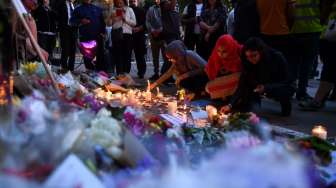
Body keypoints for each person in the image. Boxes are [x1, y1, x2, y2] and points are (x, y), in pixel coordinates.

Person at [221, 38, 295, 116]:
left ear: (261, 52)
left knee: (284, 91)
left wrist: (266, 87)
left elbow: (287, 81)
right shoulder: (247, 61)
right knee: (250, 111)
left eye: (254, 56)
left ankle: (285, 105)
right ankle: (252, 104)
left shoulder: (276, 57)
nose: (251, 59)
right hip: (258, 85)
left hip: (278, 84)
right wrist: (230, 105)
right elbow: (242, 84)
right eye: (248, 56)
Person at [299, 0, 336, 110]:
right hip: (328, 34)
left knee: (329, 68)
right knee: (329, 67)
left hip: (330, 35)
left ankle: (318, 100)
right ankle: (320, 99)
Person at [290, 0, 324, 101]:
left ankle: (290, 90)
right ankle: (301, 92)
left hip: (296, 31)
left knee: (293, 63)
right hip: (313, 30)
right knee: (307, 64)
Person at [256, 0, 295, 73]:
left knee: (269, 63)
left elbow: (258, 13)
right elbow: (292, 14)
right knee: (284, 64)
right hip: (283, 32)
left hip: (265, 33)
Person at [70, 0, 106, 72]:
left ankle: (100, 75)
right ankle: (90, 73)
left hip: (98, 37)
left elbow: (102, 22)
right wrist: (81, 21)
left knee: (100, 56)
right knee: (88, 57)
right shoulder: (78, 9)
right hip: (86, 37)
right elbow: (72, 21)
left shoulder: (98, 9)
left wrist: (103, 32)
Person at [205, 34, 242, 99]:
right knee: (208, 88)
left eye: (224, 51)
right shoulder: (215, 55)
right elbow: (210, 70)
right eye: (218, 51)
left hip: (237, 82)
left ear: (230, 48)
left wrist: (229, 70)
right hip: (224, 81)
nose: (221, 54)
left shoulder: (239, 51)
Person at [110, 0, 136, 75]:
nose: (119, 4)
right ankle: (119, 74)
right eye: (117, 2)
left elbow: (134, 23)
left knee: (127, 55)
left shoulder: (129, 9)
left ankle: (126, 73)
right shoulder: (113, 10)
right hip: (117, 34)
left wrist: (125, 19)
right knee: (118, 55)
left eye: (121, 2)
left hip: (127, 35)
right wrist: (115, 19)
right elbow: (109, 23)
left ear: (124, 2)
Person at [146, 0, 169, 80]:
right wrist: (152, 30)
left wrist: (160, 30)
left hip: (163, 36)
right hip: (153, 36)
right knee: (155, 56)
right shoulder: (150, 9)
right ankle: (156, 73)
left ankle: (165, 73)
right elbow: (147, 21)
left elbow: (167, 21)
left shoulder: (166, 8)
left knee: (166, 56)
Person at [54, 0, 76, 72]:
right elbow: (56, 15)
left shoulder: (73, 5)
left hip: (73, 29)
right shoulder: (61, 3)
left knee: (73, 50)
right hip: (65, 29)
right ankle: (64, 68)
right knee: (65, 49)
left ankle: (71, 68)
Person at [130, 0, 147, 78]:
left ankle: (141, 73)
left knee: (140, 55)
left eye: (134, 0)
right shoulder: (127, 10)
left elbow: (146, 23)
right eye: (131, 1)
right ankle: (125, 73)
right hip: (129, 36)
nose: (133, 2)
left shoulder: (141, 10)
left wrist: (139, 28)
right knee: (127, 55)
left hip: (139, 36)